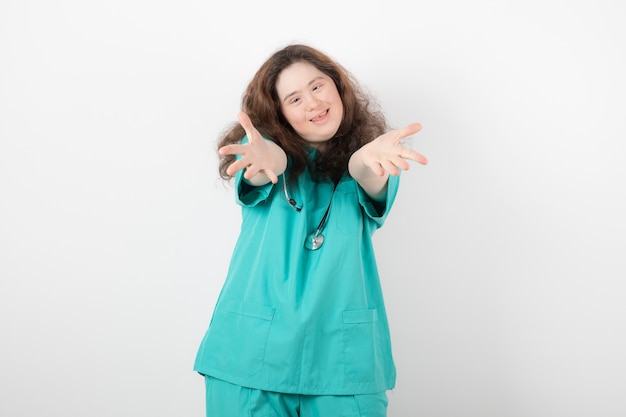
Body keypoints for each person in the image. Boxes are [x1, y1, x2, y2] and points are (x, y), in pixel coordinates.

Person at [194, 43, 428, 417]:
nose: (313, 103)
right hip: (250, 357)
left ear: (337, 86)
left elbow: (366, 174)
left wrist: (365, 159)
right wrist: (269, 156)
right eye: (294, 99)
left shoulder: (370, 161)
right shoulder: (263, 157)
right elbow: (266, 161)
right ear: (279, 114)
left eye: (317, 87)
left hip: (342, 362)